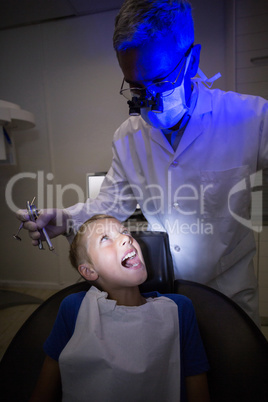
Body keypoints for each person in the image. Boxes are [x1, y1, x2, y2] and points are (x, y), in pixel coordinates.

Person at [17, 0, 268, 326]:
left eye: (160, 81)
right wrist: (65, 219)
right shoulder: (127, 137)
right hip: (168, 291)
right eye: (136, 87)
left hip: (230, 293)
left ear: (192, 61)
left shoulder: (250, 118)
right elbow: (110, 204)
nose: (147, 101)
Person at [29, 214, 210, 402]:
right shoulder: (74, 308)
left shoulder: (179, 309)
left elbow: (197, 387)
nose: (126, 238)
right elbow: (43, 390)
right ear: (89, 271)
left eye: (124, 231)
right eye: (105, 238)